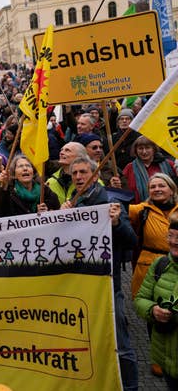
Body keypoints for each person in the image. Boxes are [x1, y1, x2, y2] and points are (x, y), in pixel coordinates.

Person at [61, 157, 138, 391]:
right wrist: (59, 217)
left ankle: (131, 386)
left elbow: (131, 241)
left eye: (83, 172)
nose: (78, 177)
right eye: (74, 174)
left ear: (95, 176)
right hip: (80, 284)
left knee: (120, 343)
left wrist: (116, 224)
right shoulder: (71, 203)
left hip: (107, 284)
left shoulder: (110, 202)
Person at [135, 213, 178, 389]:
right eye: (171, 235)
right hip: (166, 357)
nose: (174, 241)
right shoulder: (160, 264)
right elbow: (140, 299)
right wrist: (152, 310)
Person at [123, 136, 177, 204]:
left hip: (169, 207)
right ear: (135, 150)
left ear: (154, 149)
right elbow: (124, 191)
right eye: (140, 148)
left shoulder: (168, 164)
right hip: (141, 210)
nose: (144, 152)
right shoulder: (129, 168)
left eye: (147, 148)